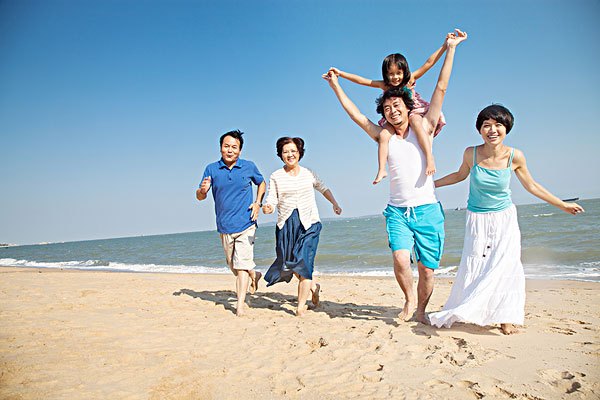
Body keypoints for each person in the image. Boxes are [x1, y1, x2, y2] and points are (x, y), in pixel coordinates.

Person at [324, 29, 467, 323]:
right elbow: (356, 115)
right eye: (387, 108)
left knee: (427, 270)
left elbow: (440, 87)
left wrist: (450, 48)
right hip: (397, 211)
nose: (392, 111)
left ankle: (421, 310)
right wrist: (336, 85)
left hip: (427, 210)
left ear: (407, 106)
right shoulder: (384, 136)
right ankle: (409, 299)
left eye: (397, 106)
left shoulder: (424, 126)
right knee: (401, 258)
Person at [428, 105, 584, 334]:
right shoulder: (471, 153)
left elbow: (532, 186)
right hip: (477, 219)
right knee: (477, 263)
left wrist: (562, 204)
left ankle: (505, 317)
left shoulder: (515, 156)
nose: (492, 130)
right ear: (479, 130)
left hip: (504, 219)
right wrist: (431, 185)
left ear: (507, 128)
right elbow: (460, 175)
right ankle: (471, 307)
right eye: (486, 125)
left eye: (498, 125)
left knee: (505, 264)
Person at [326, 33, 451, 184]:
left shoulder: (410, 80)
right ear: (385, 74)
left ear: (404, 72)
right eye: (391, 74)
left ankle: (430, 158)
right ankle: (381, 169)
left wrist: (445, 46)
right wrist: (341, 74)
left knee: (416, 123)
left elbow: (429, 63)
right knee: (384, 135)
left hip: (413, 111)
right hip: (393, 118)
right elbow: (362, 80)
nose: (395, 77)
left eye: (398, 73)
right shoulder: (384, 85)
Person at [262, 137, 342, 316]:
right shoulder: (276, 176)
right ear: (280, 155)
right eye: (285, 152)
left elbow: (323, 188)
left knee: (304, 262)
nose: (290, 154)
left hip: (309, 223)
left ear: (299, 153)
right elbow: (272, 198)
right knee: (290, 263)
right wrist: (268, 207)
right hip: (287, 225)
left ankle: (300, 308)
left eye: (293, 151)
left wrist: (334, 203)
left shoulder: (308, 173)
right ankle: (313, 286)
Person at [196, 130, 266, 317]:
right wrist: (202, 191)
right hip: (224, 226)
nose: (230, 150)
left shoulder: (248, 166)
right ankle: (254, 273)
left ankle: (240, 305)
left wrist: (257, 203)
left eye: (234, 147)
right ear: (220, 148)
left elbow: (262, 183)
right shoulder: (211, 169)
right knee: (234, 266)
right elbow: (200, 196)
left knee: (241, 266)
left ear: (240, 150)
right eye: (226, 146)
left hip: (246, 223)